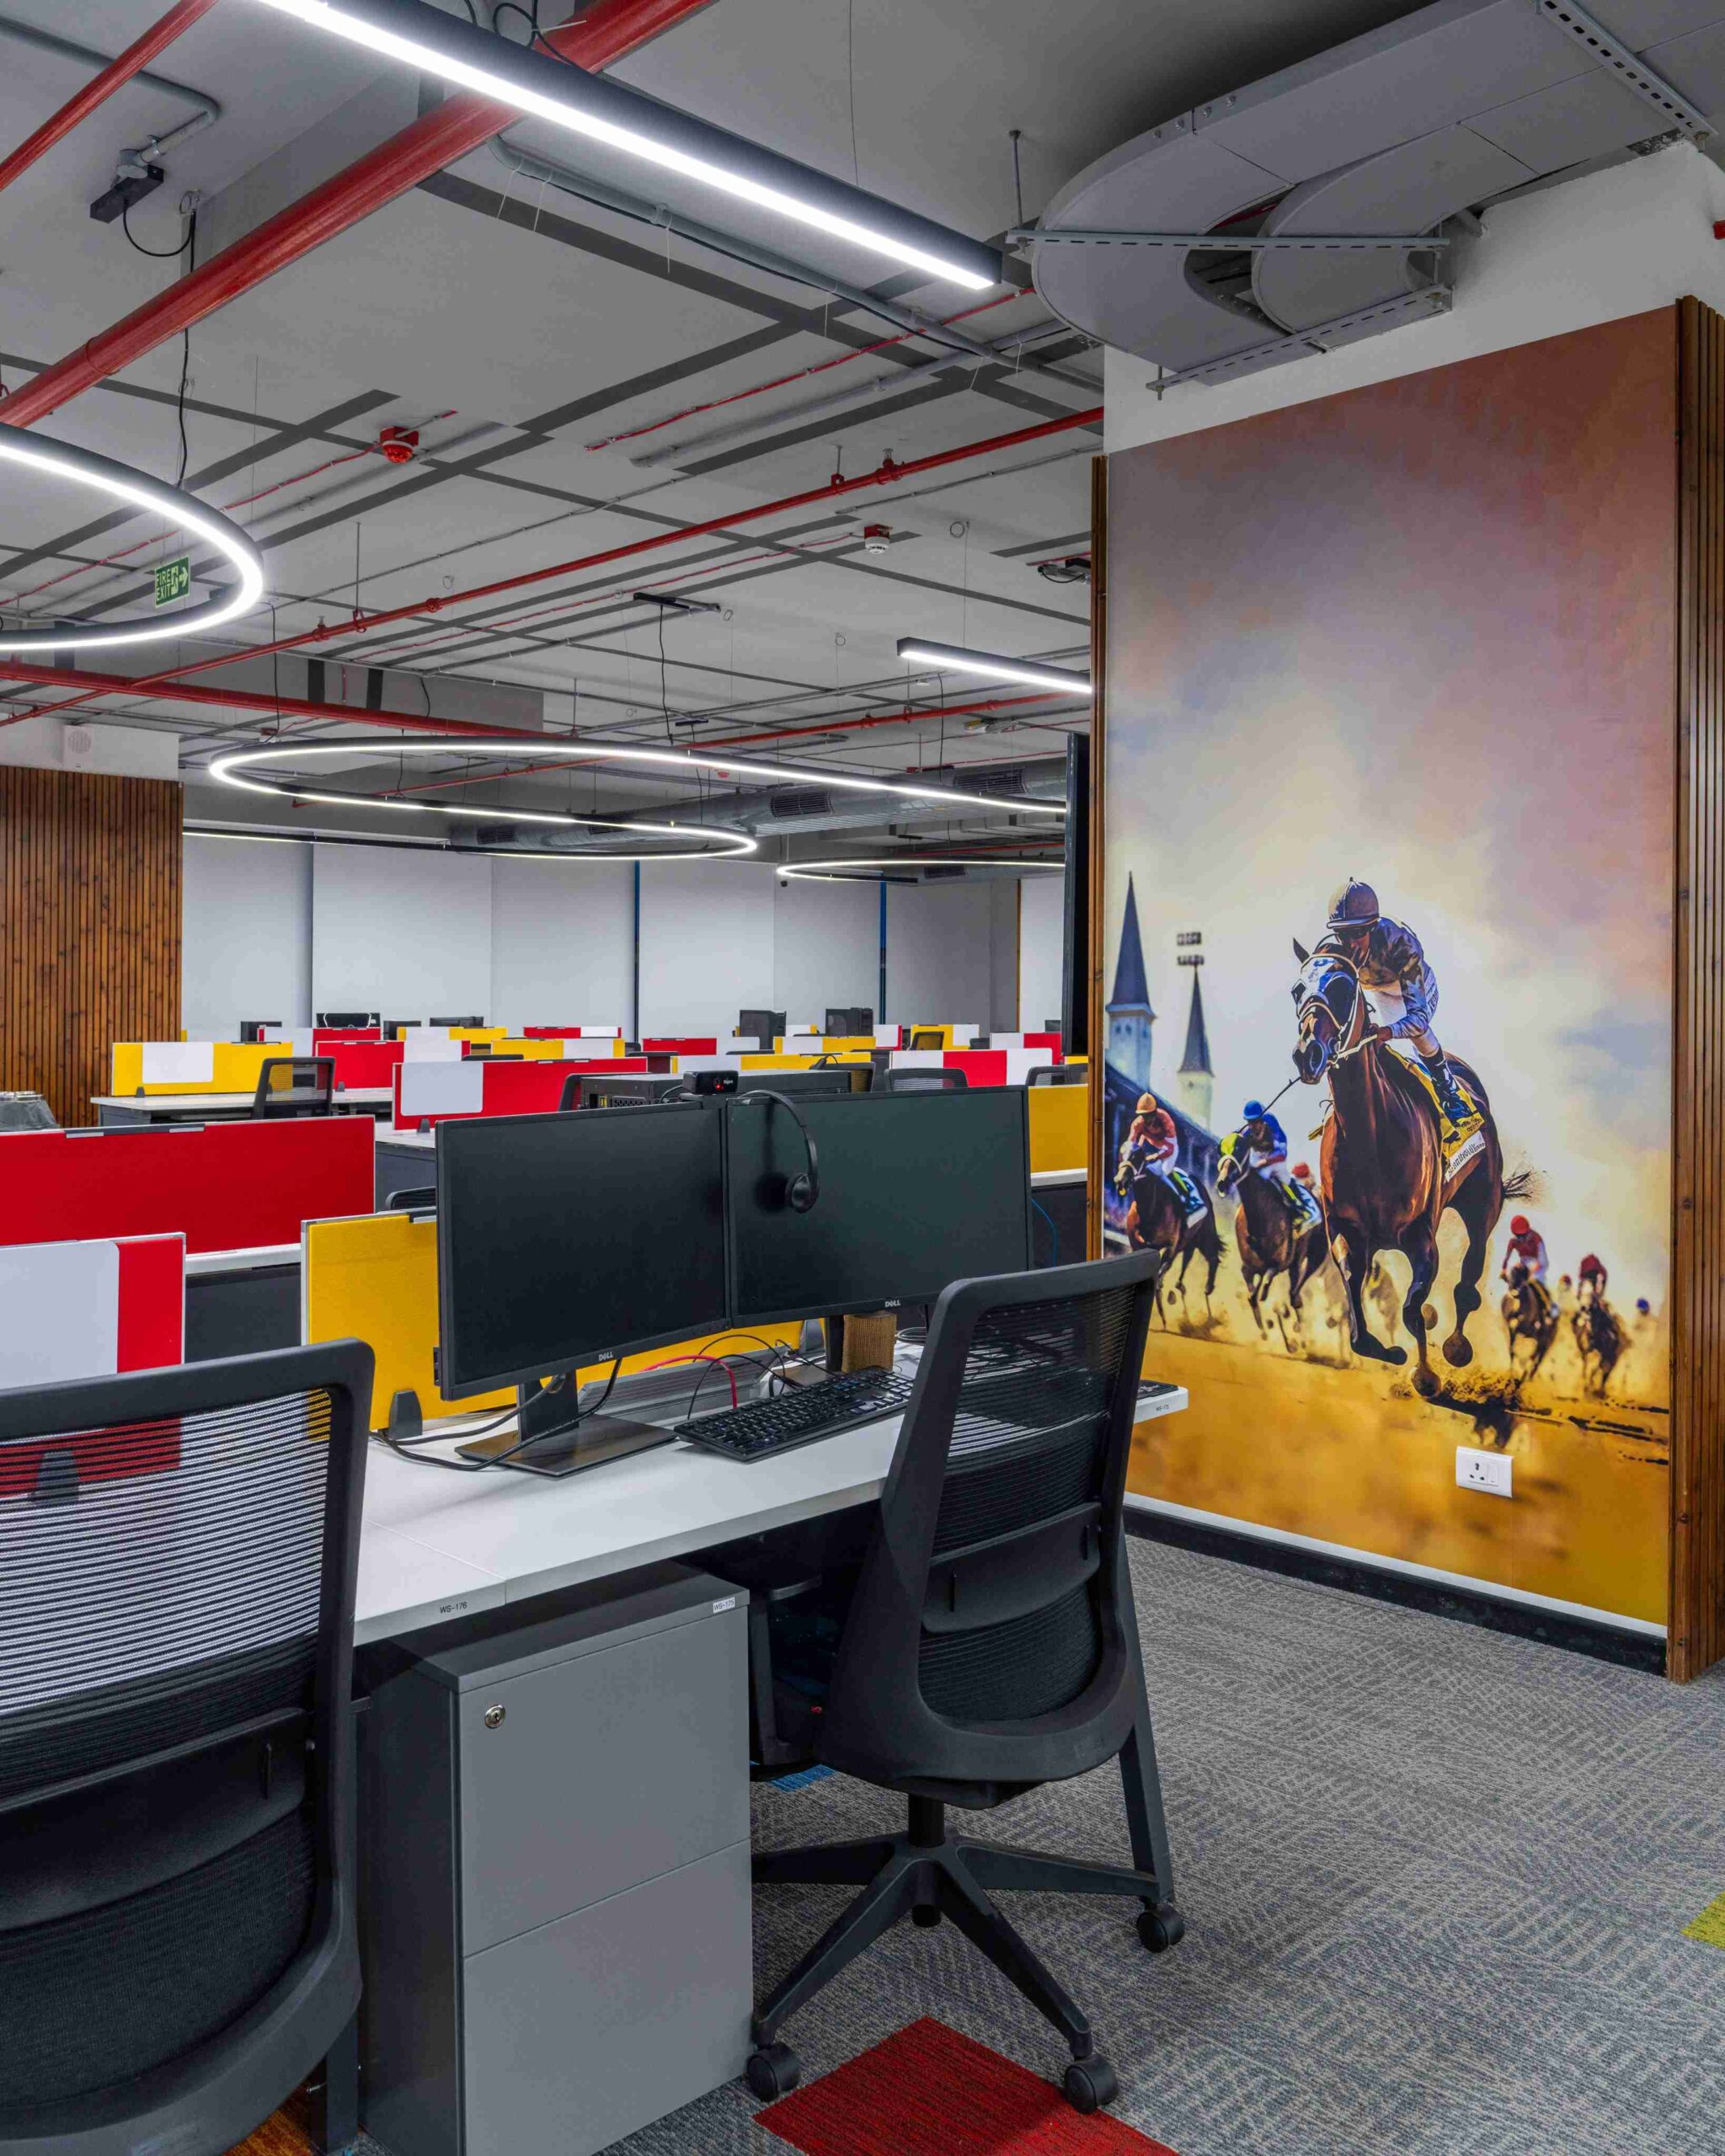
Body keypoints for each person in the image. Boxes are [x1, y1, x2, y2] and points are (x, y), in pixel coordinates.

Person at [1317, 878, 1473, 1128]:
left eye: (1358, 933)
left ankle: (1449, 1093)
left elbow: (1418, 1019)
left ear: (1372, 927)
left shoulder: (1402, 944)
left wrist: (1388, 1032)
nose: (1350, 944)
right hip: (1376, 992)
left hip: (1413, 989)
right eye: (1343, 934)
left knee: (1415, 1037)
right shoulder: (1335, 950)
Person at [1115, 1091, 1178, 1195]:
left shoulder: (1165, 1119)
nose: (1146, 1119)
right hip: (1151, 1145)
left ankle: (1180, 1196)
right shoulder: (1137, 1124)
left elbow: (1170, 1148)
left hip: (1169, 1147)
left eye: (1149, 1115)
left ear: (1155, 1113)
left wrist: (1156, 1156)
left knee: (1165, 1172)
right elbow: (1129, 1145)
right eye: (1143, 1115)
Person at [1501, 1214, 1550, 1301]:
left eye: (1523, 1236)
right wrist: (1504, 1270)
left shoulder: (1536, 1238)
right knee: (1514, 1272)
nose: (1521, 1239)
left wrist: (1532, 1271)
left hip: (1539, 1264)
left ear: (1528, 1231)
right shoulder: (1513, 1241)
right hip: (1525, 1263)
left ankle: (1548, 1304)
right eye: (1518, 1236)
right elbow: (1507, 1257)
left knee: (1536, 1282)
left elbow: (1542, 1261)